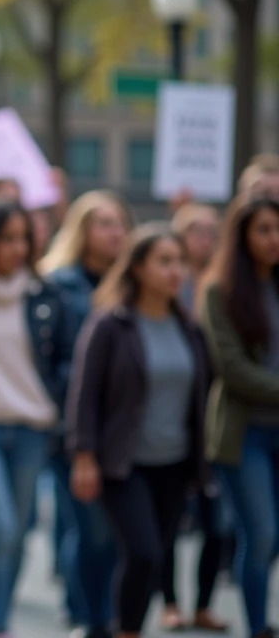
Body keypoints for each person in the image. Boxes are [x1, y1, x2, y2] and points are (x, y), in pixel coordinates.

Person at [68, 225, 212, 638]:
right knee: (144, 553)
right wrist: (83, 455)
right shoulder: (110, 325)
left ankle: (128, 627)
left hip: (176, 463)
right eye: (164, 261)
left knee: (156, 554)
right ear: (137, 267)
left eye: (180, 261)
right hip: (122, 463)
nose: (176, 270)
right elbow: (84, 393)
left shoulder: (189, 328)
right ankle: (124, 631)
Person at [0, 200, 71, 638]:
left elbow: (66, 360)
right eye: (7, 238)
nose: (18, 247)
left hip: (33, 431)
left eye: (24, 237)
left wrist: (57, 402)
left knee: (18, 532)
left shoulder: (48, 296)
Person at [39, 190, 132, 638]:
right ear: (83, 231)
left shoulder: (136, 282)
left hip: (127, 428)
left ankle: (108, 614)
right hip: (75, 427)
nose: (115, 232)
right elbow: (50, 355)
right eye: (105, 223)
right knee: (89, 527)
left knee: (119, 531)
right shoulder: (60, 283)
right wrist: (70, 398)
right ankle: (87, 615)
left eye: (120, 223)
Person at [200, 195, 279, 638]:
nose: (274, 239)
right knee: (260, 532)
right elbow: (232, 368)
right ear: (243, 236)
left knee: (274, 537)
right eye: (264, 229)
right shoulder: (221, 290)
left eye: (278, 228)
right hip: (243, 433)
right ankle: (259, 628)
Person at [159, 202, 228, 632]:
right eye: (197, 229)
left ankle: (203, 603)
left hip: (217, 422)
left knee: (217, 521)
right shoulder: (169, 285)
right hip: (173, 420)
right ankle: (169, 601)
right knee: (168, 520)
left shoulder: (226, 282)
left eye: (212, 230)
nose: (206, 237)